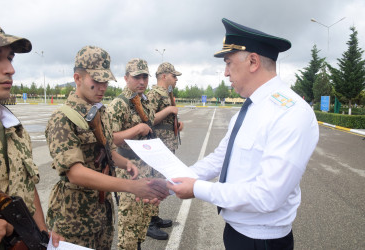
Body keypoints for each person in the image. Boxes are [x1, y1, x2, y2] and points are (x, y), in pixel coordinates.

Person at [167, 18, 319, 250]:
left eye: (228, 63)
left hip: (263, 240)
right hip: (236, 231)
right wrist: (175, 179)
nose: (225, 73)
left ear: (253, 61)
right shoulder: (250, 108)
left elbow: (268, 196)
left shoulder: (291, 112)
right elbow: (221, 157)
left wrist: (196, 188)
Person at [45, 47, 168, 249]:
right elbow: (75, 173)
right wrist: (131, 186)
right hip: (74, 217)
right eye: (96, 81)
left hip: (102, 210)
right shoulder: (63, 119)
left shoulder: (98, 113)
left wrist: (126, 163)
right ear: (77, 78)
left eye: (105, 81)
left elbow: (107, 152)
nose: (102, 87)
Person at [0, 17, 63, 248]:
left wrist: (40, 232)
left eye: (10, 58)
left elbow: (28, 186)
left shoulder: (15, 129)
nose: (10, 69)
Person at [107, 58, 172, 249]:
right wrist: (136, 130)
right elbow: (109, 139)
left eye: (145, 76)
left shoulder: (145, 102)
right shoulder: (119, 104)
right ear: (126, 78)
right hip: (129, 169)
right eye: (137, 77)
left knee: (141, 223)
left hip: (147, 167)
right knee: (129, 226)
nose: (142, 81)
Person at [146, 62, 184, 238]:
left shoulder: (168, 94)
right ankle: (149, 223)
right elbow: (148, 120)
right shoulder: (153, 94)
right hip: (157, 146)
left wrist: (176, 124)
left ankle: (155, 216)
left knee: (161, 181)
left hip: (166, 145)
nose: (176, 79)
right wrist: (169, 109)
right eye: (173, 76)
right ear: (164, 76)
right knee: (154, 183)